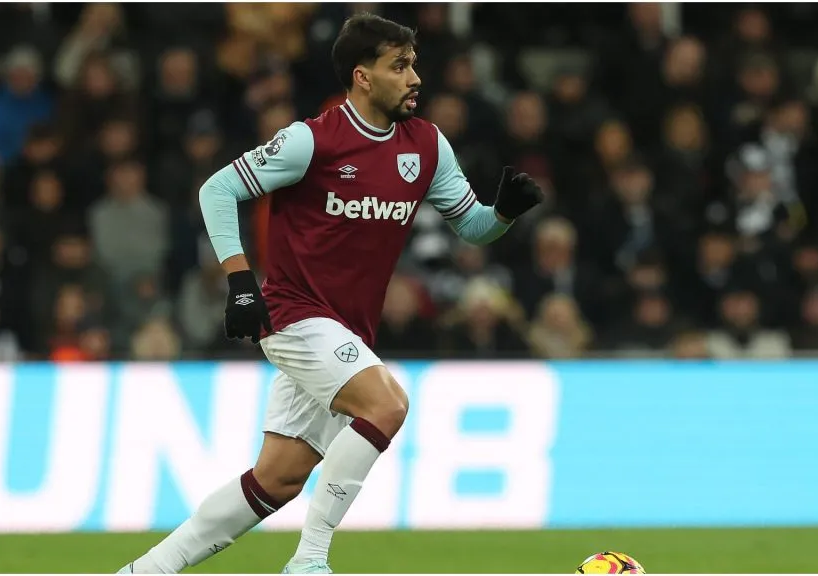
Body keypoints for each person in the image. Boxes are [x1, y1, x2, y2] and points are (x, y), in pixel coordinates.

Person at [118, 13, 543, 575]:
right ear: (362, 76)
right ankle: (309, 559)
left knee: (276, 479)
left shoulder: (427, 145)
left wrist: (504, 213)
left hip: (347, 331)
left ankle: (145, 570)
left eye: (414, 64)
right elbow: (217, 190)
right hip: (293, 315)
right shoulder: (312, 140)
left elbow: (473, 226)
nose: (415, 77)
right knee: (387, 404)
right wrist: (241, 281)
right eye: (400, 66)